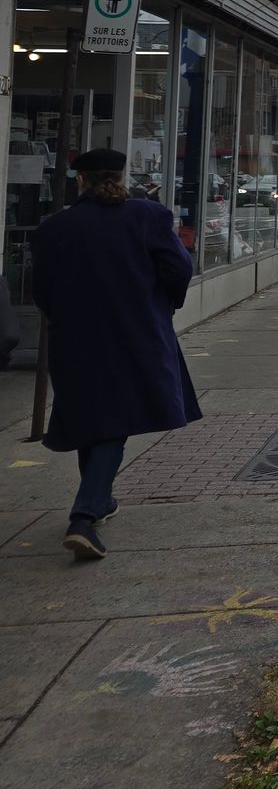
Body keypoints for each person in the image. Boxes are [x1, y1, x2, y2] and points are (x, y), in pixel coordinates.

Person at [30, 148, 199, 561]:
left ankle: (100, 502)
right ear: (120, 177)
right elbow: (179, 269)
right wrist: (160, 305)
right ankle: (84, 515)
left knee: (93, 415)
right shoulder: (147, 216)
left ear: (80, 180)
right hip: (135, 333)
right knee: (113, 421)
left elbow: (42, 290)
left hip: (75, 338)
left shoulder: (55, 228)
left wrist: (61, 317)